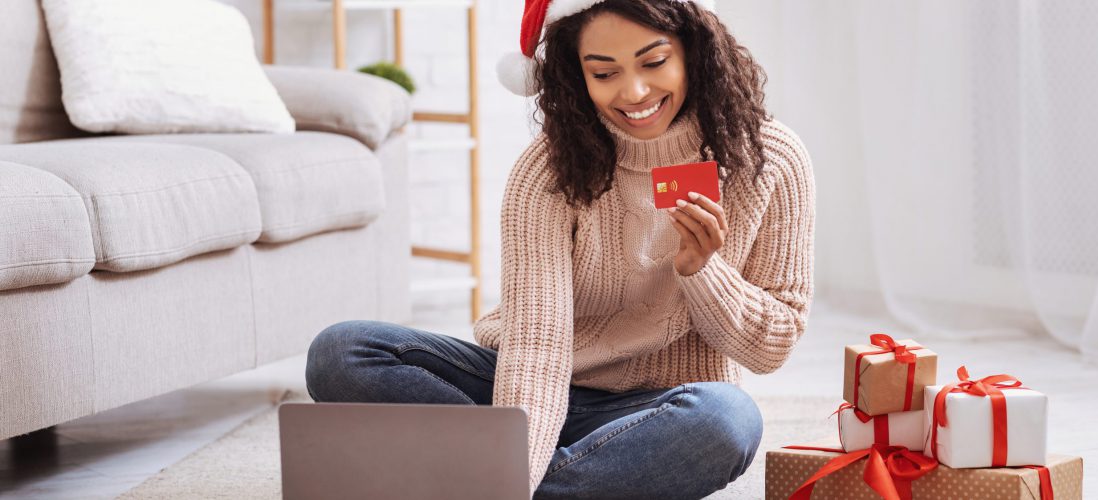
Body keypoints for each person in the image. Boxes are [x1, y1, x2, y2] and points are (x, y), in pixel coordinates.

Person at [304, 0, 815, 498]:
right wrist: (517, 467)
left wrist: (702, 271)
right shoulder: (550, 169)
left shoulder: (772, 160)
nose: (634, 91)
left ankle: (473, 476)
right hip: (537, 383)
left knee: (728, 420)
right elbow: (535, 347)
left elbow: (771, 349)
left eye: (654, 62)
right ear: (577, 77)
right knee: (343, 352)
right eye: (604, 72)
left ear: (694, 51)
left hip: (655, 411)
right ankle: (546, 475)